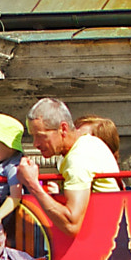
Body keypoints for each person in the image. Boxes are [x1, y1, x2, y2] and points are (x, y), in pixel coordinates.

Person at [18, 97, 117, 238]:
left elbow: (72, 225)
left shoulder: (78, 158)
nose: (35, 144)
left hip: (101, 242)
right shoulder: (89, 142)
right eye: (33, 137)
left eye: (40, 136)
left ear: (63, 129)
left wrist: (32, 184)